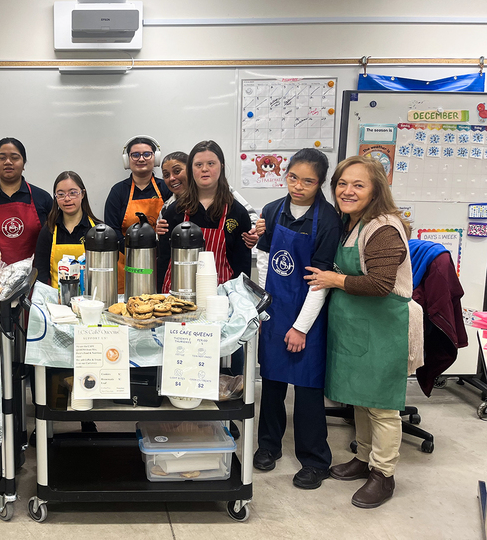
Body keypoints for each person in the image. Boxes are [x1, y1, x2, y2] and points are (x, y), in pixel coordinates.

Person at [306, 155, 423, 509]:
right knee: (359, 397)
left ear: (375, 190)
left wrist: (334, 279)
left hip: (384, 327)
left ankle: (383, 475)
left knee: (382, 407)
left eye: (358, 184)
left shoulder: (383, 227)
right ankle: (364, 457)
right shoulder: (350, 222)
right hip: (356, 326)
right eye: (342, 183)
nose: (348, 190)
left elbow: (381, 283)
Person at [252, 148, 342, 490]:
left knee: (306, 392)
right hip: (275, 311)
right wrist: (261, 306)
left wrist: (300, 328)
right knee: (271, 385)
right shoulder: (273, 211)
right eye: (293, 177)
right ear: (285, 174)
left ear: (319, 183)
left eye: (308, 181)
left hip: (308, 316)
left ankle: (315, 460)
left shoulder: (329, 220)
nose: (299, 186)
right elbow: (263, 258)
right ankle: (268, 446)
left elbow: (320, 281)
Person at [157, 140, 252, 291]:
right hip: (178, 294)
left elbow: (242, 264)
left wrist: (240, 298)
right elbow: (163, 258)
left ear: (221, 166)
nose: (204, 169)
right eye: (199, 165)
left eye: (211, 163)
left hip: (221, 297)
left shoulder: (237, 213)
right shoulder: (174, 211)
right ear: (191, 169)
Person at [0, 138, 53, 271]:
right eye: (2, 157)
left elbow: (54, 242)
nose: (8, 162)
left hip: (33, 280)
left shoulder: (42, 198)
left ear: (24, 164)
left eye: (14, 157)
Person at [104, 136, 171, 294]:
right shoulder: (118, 192)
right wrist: (137, 254)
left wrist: (156, 251)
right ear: (127, 160)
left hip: (160, 261)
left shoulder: (166, 189)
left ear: (155, 158)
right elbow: (112, 232)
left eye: (147, 154)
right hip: (127, 262)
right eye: (135, 155)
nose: (141, 159)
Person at [156, 149, 259, 245]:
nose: (172, 178)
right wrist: (159, 233)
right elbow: (164, 246)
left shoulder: (224, 193)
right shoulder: (167, 208)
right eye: (166, 175)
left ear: (191, 170)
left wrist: (253, 233)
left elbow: (252, 219)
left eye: (177, 171)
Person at [33, 171, 101, 287]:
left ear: (82, 194)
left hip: (91, 301)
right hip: (56, 300)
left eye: (73, 193)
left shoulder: (97, 231)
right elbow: (41, 272)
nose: (67, 198)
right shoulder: (48, 230)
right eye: (61, 194)